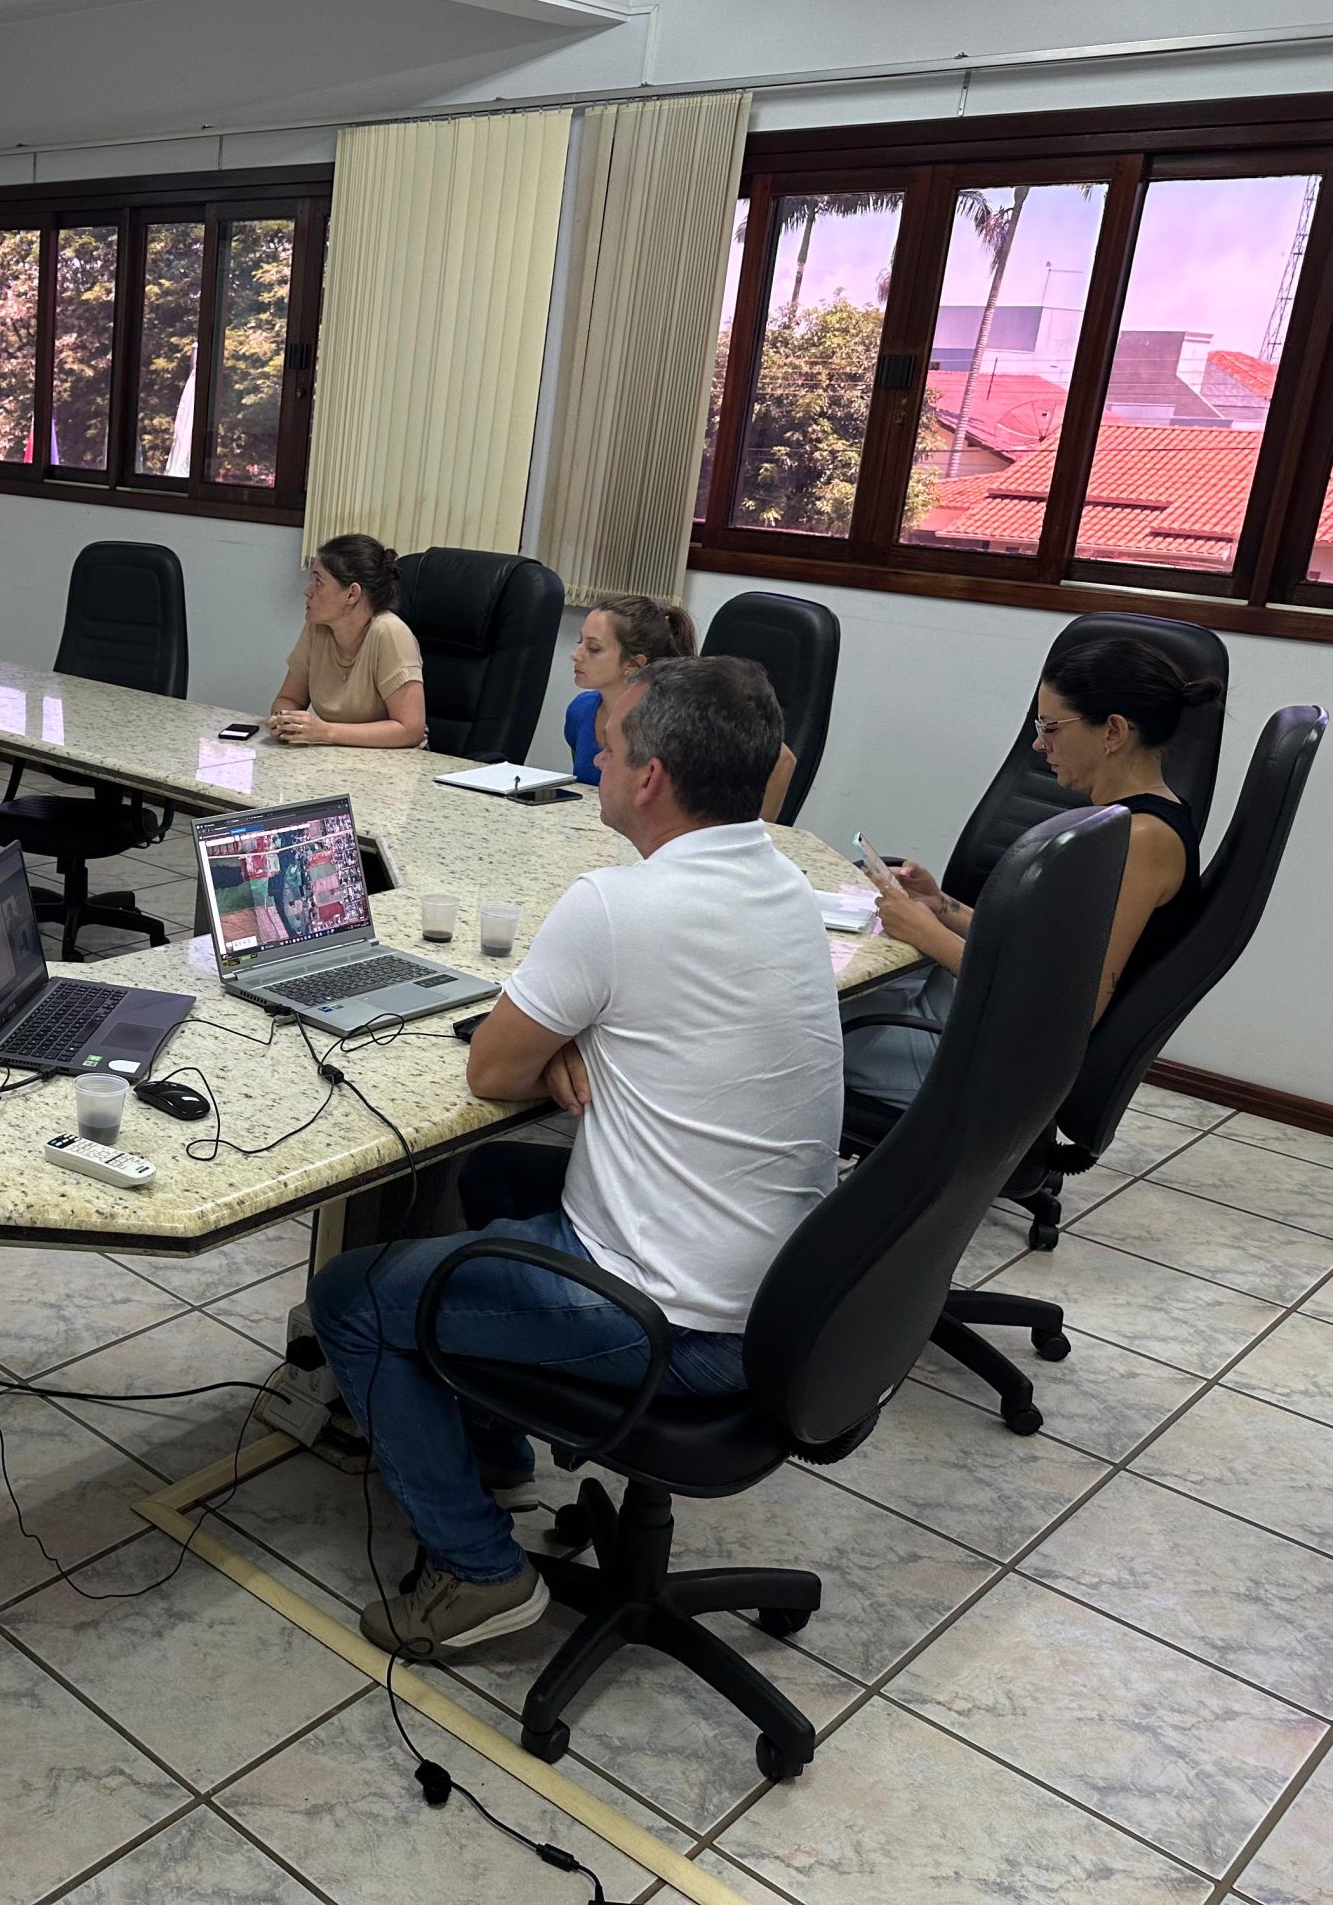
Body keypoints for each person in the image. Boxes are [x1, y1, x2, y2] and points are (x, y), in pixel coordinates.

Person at [309, 658, 841, 1662]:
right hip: (778, 1297)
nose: (594, 753)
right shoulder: (783, 881)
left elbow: (488, 1069)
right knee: (494, 1180)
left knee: (353, 1298)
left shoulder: (617, 904)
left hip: (672, 1325)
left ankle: (478, 1576)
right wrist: (584, 1037)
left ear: (650, 780)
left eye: (608, 744)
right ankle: (498, 1449)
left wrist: (557, 1040)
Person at [846, 638, 1220, 1110]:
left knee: (797, 1031)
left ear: (1113, 732)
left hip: (987, 1058)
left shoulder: (1141, 841)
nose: (1038, 743)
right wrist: (940, 906)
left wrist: (929, 935)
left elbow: (1067, 1013)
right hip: (967, 1016)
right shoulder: (1126, 821)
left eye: (1051, 727)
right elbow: (1041, 953)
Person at [561, 595, 796, 818]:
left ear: (633, 663)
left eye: (593, 649)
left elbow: (782, 760)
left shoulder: (677, 718)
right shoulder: (581, 711)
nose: (576, 654)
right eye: (579, 642)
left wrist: (751, 838)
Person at [267, 535, 427, 749]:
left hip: (395, 766)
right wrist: (285, 721)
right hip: (334, 759)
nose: (308, 591)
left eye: (319, 582)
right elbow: (289, 698)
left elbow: (410, 729)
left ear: (352, 594)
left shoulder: (389, 632)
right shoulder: (317, 628)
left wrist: (326, 731)